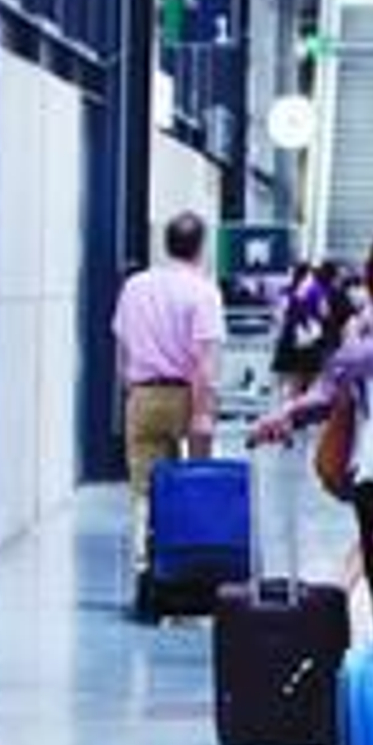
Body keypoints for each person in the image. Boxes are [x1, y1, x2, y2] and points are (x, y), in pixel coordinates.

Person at [250, 225, 373, 668]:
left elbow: (370, 359)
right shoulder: (365, 325)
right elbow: (329, 392)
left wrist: (343, 347)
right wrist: (287, 414)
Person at [112, 212, 224, 596]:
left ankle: (147, 571)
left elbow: (123, 346)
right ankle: (188, 570)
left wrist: (131, 387)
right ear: (201, 245)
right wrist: (203, 412)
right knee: (193, 487)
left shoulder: (134, 287)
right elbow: (203, 362)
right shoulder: (202, 291)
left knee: (144, 489)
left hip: (142, 395)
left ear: (166, 242)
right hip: (186, 395)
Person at [271, 260, 355, 397]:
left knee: (293, 384)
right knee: (314, 384)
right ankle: (307, 413)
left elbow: (279, 316)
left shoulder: (287, 292)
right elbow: (325, 313)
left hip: (290, 342)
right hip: (315, 343)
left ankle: (291, 411)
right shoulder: (320, 291)